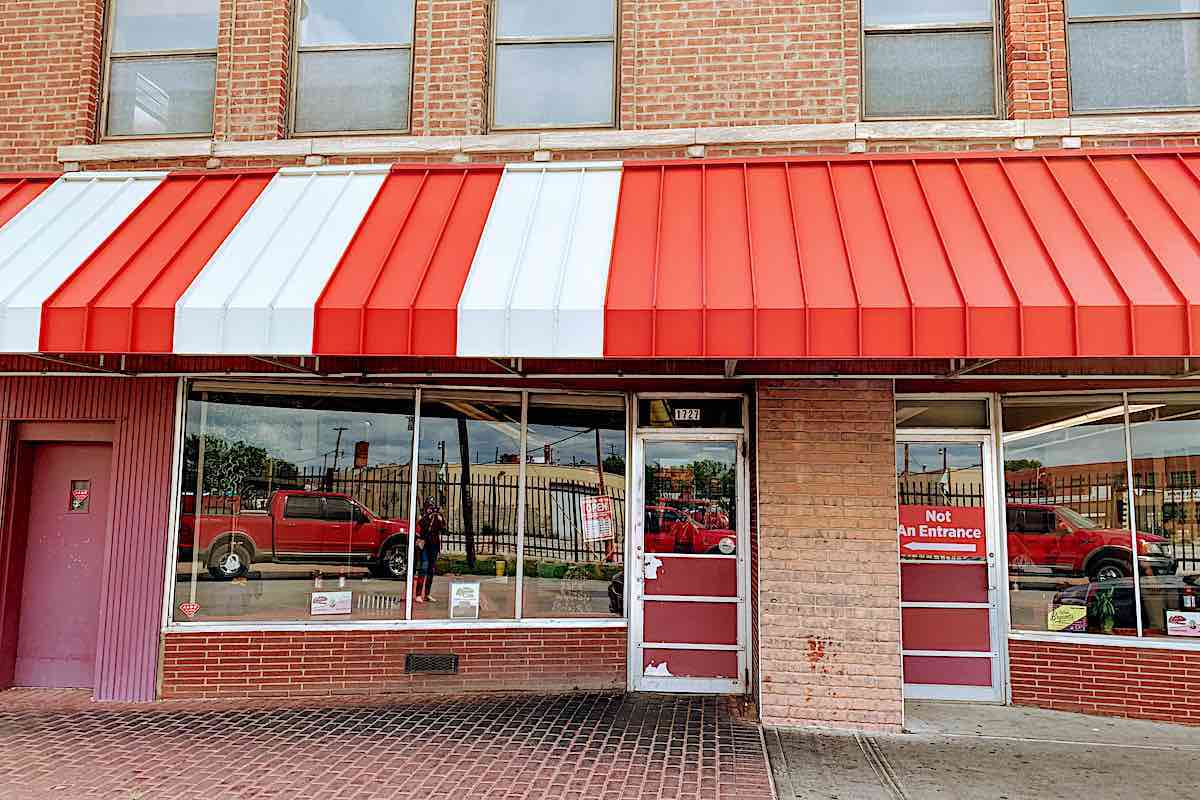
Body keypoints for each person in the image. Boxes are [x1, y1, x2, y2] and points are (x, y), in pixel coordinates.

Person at [414, 497, 445, 603]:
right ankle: (418, 594)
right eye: (429, 506)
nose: (431, 508)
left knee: (431, 570)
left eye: (432, 506)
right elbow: (422, 525)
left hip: (434, 546)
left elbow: (443, 529)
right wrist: (429, 516)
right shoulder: (422, 516)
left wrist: (441, 517)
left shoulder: (437, 517)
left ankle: (427, 594)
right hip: (425, 545)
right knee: (424, 567)